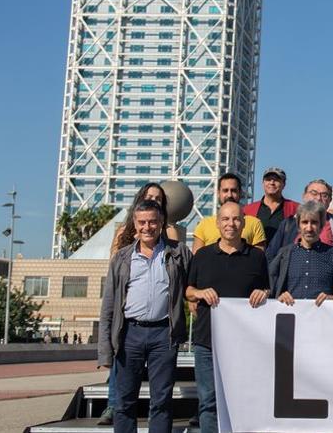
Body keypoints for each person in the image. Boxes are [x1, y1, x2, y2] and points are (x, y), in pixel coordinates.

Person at [98, 199, 191, 433]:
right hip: (130, 333)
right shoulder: (121, 258)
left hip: (164, 335)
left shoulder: (178, 253)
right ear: (134, 224)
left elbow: (193, 285)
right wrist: (104, 350)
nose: (147, 227)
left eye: (152, 222)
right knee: (124, 401)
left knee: (161, 400)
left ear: (161, 223)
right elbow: (108, 305)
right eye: (142, 222)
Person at [185, 201, 270, 433]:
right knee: (208, 402)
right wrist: (200, 292)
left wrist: (263, 293)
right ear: (217, 223)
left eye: (235, 219)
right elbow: (188, 291)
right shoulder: (202, 256)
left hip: (245, 343)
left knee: (243, 401)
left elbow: (267, 290)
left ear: (244, 223)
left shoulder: (257, 257)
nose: (230, 224)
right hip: (207, 341)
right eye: (225, 219)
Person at [269, 201, 333, 307]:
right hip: (290, 316)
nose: (309, 228)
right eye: (304, 222)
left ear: (321, 225)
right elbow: (270, 288)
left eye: (314, 222)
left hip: (323, 318)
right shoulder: (285, 254)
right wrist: (280, 296)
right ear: (298, 225)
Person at [264, 179, 333, 263]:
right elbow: (271, 256)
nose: (319, 198)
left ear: (330, 200)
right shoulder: (288, 224)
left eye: (324, 195)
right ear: (304, 196)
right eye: (314, 193)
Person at [193, 173, 267, 252]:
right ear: (218, 193)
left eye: (234, 190)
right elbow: (197, 259)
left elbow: (258, 259)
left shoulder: (254, 224)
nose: (229, 195)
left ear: (240, 193)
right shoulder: (204, 224)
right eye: (225, 190)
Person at [243, 167, 300, 246]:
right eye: (268, 179)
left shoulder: (296, 208)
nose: (272, 182)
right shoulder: (248, 210)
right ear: (263, 183)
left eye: (276, 180)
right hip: (255, 256)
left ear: (284, 184)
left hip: (284, 256)